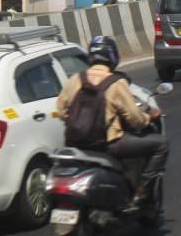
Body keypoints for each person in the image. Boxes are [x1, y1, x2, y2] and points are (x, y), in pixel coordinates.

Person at [57, 35, 170, 211]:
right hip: (108, 144)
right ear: (112, 57)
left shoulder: (75, 79)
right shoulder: (116, 83)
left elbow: (61, 109)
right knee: (161, 144)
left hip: (75, 142)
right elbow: (135, 119)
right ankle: (142, 191)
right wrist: (149, 117)